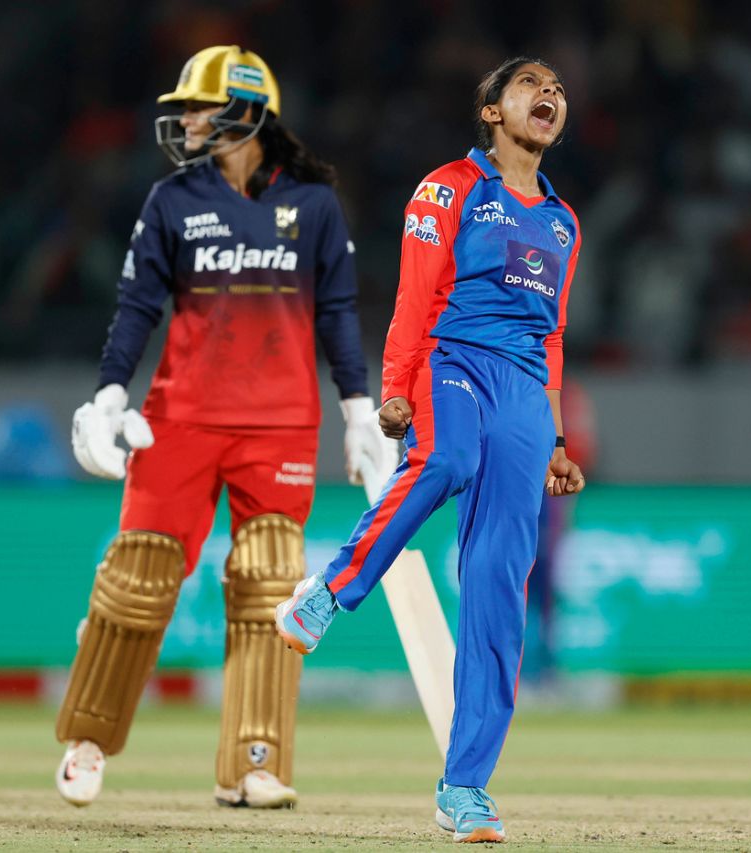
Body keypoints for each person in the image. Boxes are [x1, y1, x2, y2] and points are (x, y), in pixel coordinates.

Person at [55, 45, 395, 810]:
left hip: (278, 426)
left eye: (200, 108)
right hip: (180, 418)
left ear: (248, 110)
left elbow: (338, 312)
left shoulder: (311, 205)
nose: (186, 122)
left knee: (272, 583)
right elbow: (139, 305)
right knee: (139, 578)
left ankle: (253, 763)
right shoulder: (171, 200)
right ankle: (88, 739)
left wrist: (356, 410)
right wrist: (111, 394)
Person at [275, 57, 585, 843]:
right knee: (445, 461)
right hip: (453, 362)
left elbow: (551, 341)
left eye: (557, 89)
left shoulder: (562, 221)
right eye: (530, 85)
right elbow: (416, 293)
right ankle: (330, 591)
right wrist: (397, 383)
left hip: (522, 393)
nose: (548, 95)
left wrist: (552, 439)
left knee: (497, 588)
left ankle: (464, 789)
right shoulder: (448, 188)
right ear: (490, 110)